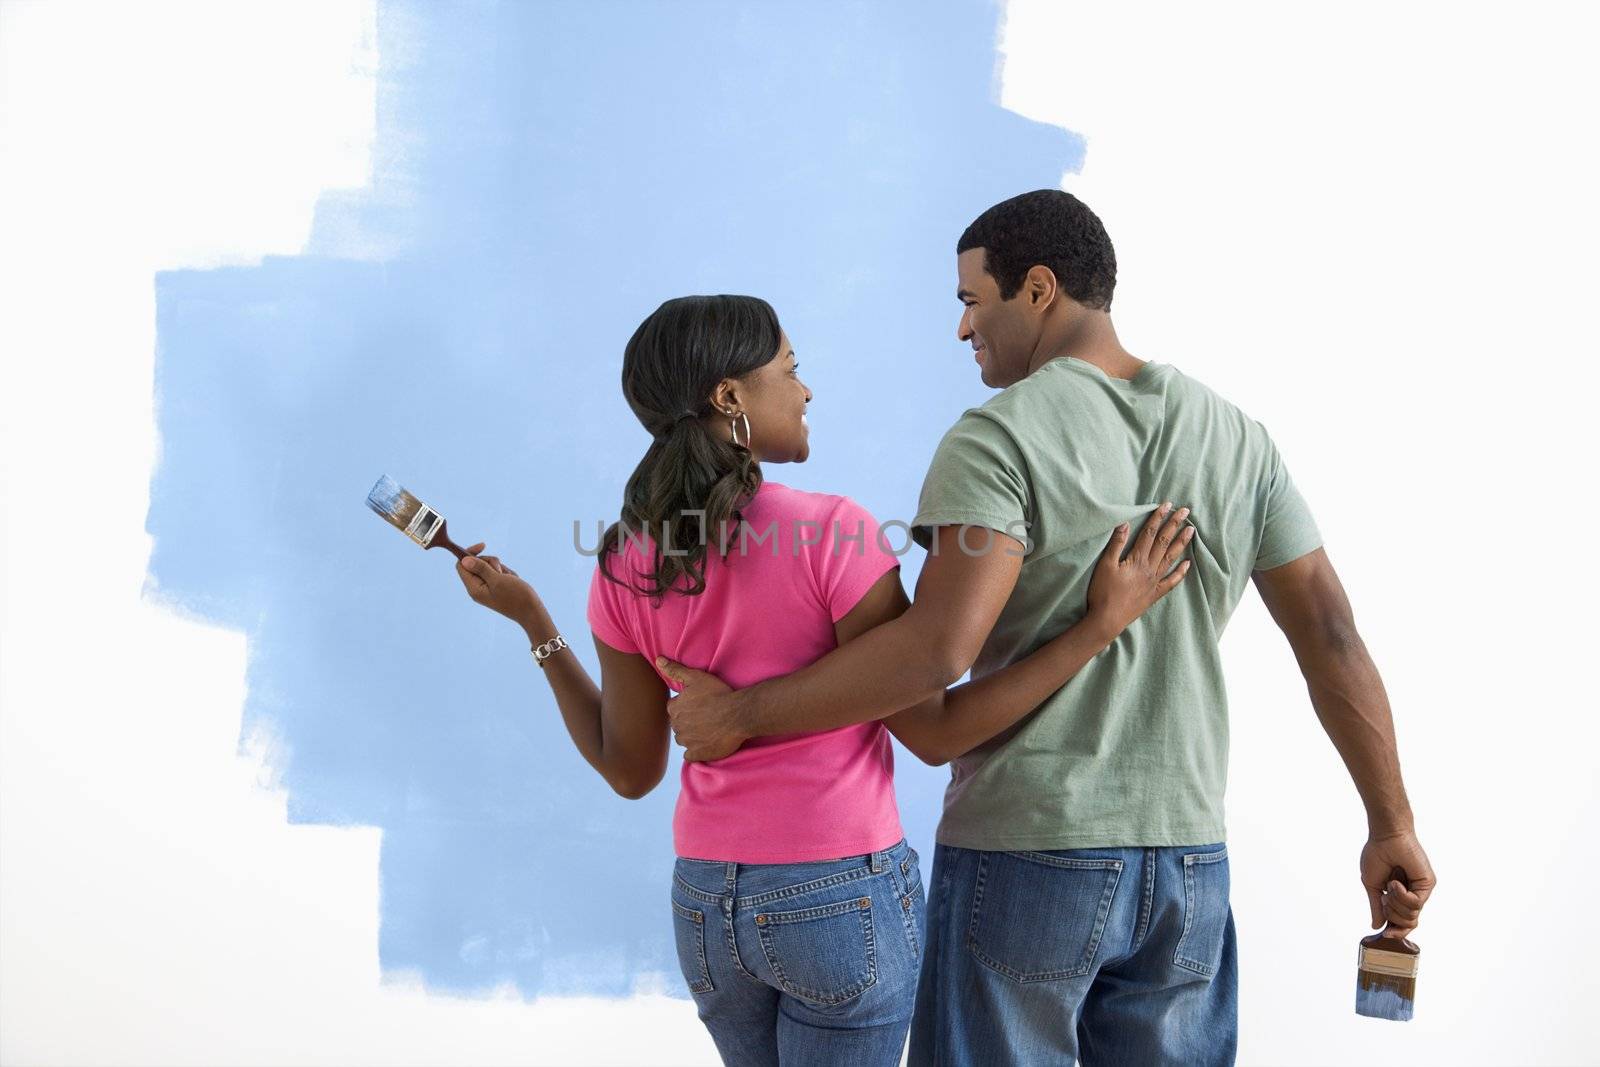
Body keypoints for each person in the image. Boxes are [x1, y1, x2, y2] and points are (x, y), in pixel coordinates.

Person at [658, 191, 1437, 1065]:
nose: (963, 330)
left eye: (970, 300)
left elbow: (934, 655)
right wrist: (1390, 821)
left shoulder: (997, 440)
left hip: (1025, 854)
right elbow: (1331, 634)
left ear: (1036, 289)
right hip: (1188, 860)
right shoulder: (1238, 438)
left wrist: (741, 714)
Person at [453, 292, 1195, 1066]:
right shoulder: (832, 532)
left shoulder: (622, 561)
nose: (805, 390)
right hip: (837, 898)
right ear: (729, 397)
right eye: (790, 369)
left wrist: (536, 624)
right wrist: (1097, 628)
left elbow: (632, 770)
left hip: (708, 907)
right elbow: (935, 731)